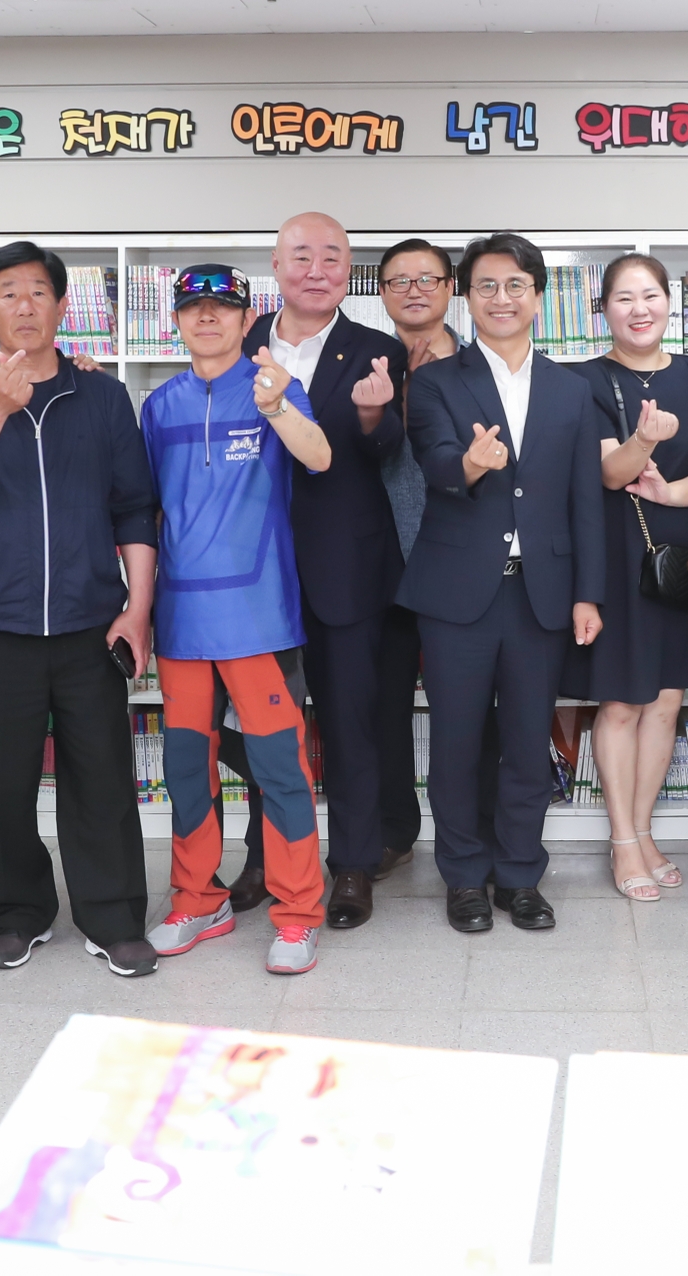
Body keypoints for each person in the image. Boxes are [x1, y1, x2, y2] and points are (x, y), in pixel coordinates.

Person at [0, 241, 160, 975]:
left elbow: (134, 507)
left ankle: (112, 915)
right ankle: (17, 912)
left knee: (102, 776)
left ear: (60, 304)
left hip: (91, 620)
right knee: (3, 777)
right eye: (8, 294)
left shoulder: (103, 395)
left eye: (37, 292)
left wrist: (137, 610)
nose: (24, 306)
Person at [396, 232, 606, 934]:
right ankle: (463, 876)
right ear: (467, 296)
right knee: (456, 743)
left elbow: (585, 499)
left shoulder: (572, 390)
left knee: (525, 745)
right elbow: (435, 462)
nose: (502, 298)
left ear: (537, 296)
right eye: (486, 285)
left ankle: (519, 875)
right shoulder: (435, 381)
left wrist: (587, 593)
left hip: (540, 595)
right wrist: (472, 464)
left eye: (516, 285)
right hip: (456, 595)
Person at [138, 266, 335, 977]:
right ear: (176, 319)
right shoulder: (158, 405)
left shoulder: (275, 385)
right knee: (187, 768)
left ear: (248, 317)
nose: (208, 317)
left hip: (258, 618)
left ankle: (299, 912)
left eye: (223, 306)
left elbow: (320, 456)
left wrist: (277, 406)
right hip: (182, 620)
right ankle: (198, 900)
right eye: (194, 307)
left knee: (280, 768)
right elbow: (145, 509)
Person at [232, 213, 409, 930]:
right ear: (275, 267)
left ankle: (354, 864)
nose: (316, 269)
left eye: (332, 257)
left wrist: (372, 417)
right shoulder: (235, 340)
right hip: (252, 564)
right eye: (301, 256)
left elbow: (389, 449)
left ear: (348, 271)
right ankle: (262, 858)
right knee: (260, 724)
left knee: (349, 720)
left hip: (346, 563)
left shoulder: (377, 349)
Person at [564, 254, 688, 902]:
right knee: (622, 701)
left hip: (682, 550)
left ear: (669, 303)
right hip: (617, 551)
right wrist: (646, 442)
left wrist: (673, 490)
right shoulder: (583, 380)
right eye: (624, 298)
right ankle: (622, 840)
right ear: (603, 309)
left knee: (666, 700)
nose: (639, 309)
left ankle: (644, 831)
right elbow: (610, 472)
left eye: (650, 295)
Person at [373, 238, 462, 867]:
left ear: (450, 288)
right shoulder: (368, 362)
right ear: (381, 293)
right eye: (399, 280)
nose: (414, 290)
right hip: (382, 562)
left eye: (428, 278)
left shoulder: (481, 362)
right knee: (384, 705)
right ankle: (392, 831)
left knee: (472, 706)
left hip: (461, 558)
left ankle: (477, 835)